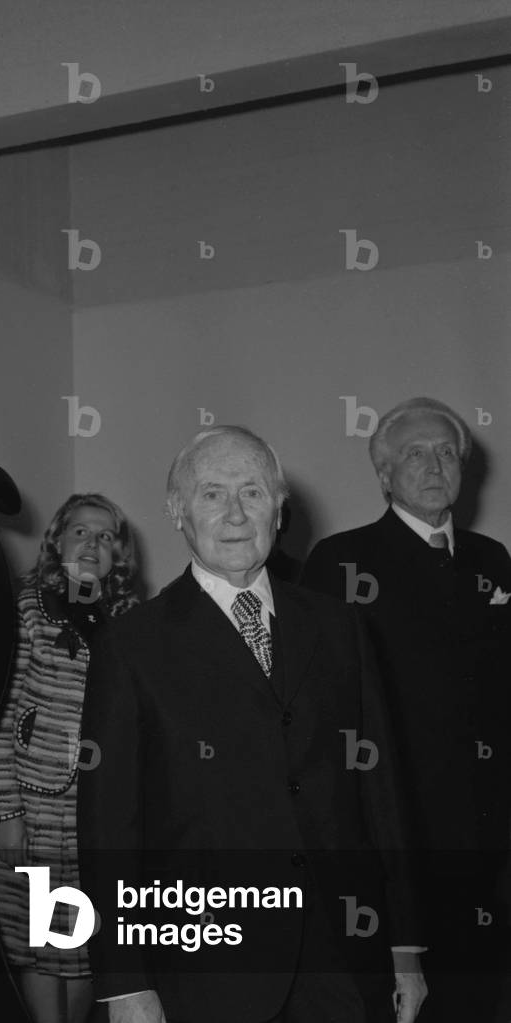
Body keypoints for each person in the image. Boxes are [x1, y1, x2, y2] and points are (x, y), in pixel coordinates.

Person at [77, 426, 426, 1023]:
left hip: (340, 961)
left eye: (254, 493)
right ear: (177, 513)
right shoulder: (132, 646)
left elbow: (382, 795)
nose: (236, 513)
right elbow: (109, 826)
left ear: (279, 508)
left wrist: (405, 947)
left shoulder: (340, 627)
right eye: (212, 494)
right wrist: (124, 984)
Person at [301, 397, 511, 1021]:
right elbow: (320, 703)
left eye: (446, 452)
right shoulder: (341, 560)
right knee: (402, 1002)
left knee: (480, 990)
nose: (433, 465)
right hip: (395, 827)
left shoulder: (492, 559)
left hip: (488, 827)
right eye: (414, 454)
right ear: (385, 473)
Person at [0, 493, 140, 1023]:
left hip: (102, 816)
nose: (91, 544)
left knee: (89, 948)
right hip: (36, 812)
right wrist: (6, 816)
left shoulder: (134, 619)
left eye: (104, 536)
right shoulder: (25, 608)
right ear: (56, 541)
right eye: (79, 532)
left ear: (119, 552)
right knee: (43, 949)